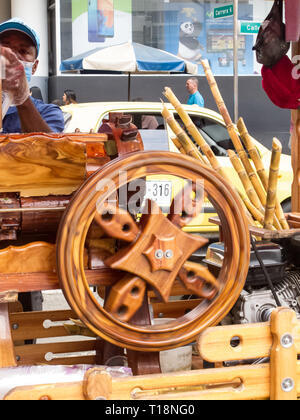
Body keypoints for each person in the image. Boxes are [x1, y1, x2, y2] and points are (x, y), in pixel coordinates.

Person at [0, 18, 64, 134]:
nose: (13, 56)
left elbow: (47, 148)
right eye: (5, 48)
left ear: (34, 67)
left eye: (23, 51)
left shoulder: (48, 113)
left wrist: (22, 98)